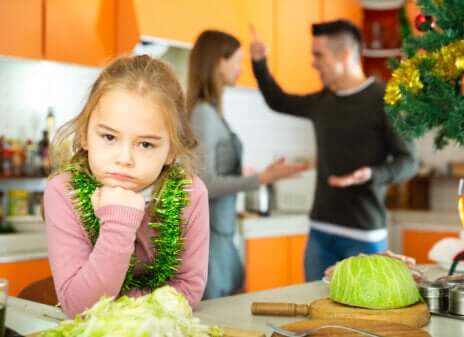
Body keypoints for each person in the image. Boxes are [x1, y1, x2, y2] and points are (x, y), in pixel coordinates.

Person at [250, 20, 417, 281]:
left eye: (318, 55)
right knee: (317, 311)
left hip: (364, 236)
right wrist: (260, 64)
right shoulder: (322, 102)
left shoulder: (386, 100)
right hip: (320, 233)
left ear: (345, 54)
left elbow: (408, 162)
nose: (313, 63)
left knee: (365, 316)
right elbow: (279, 101)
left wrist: (372, 174)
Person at [43, 55, 209, 317]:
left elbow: (188, 289)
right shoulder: (64, 191)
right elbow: (79, 307)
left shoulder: (190, 192)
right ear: (85, 134)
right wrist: (120, 224)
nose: (124, 159)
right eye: (109, 137)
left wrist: (118, 302)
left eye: (145, 144)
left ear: (171, 152)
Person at [187, 30, 309, 299]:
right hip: (211, 239)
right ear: (219, 61)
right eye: (237, 61)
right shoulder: (204, 114)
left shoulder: (212, 111)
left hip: (222, 232)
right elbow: (204, 183)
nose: (241, 69)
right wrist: (262, 178)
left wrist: (245, 173)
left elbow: (211, 172)